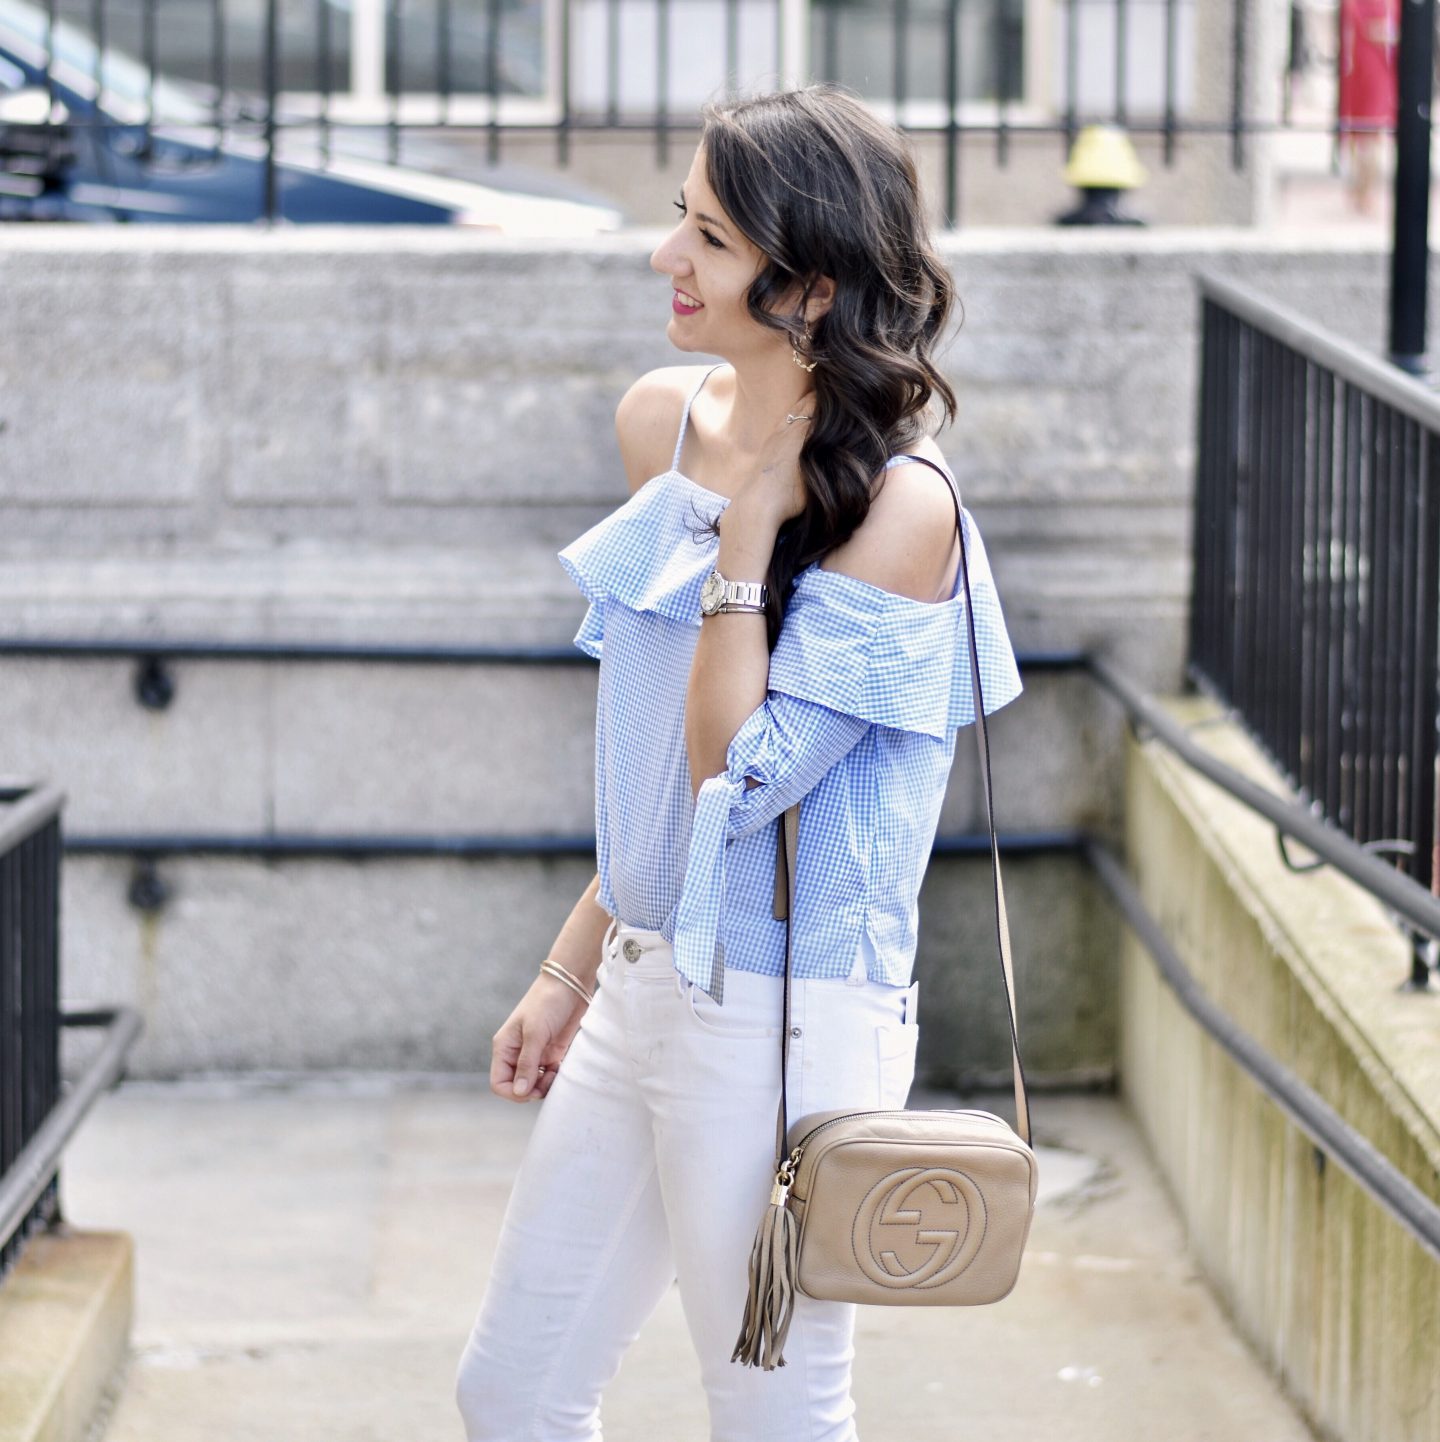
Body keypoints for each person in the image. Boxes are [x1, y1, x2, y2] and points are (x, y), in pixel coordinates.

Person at [454, 83, 1024, 1442]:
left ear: (809, 285)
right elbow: (656, 777)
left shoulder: (901, 508)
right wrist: (572, 961)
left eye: (706, 238)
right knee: (514, 1387)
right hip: (649, 976)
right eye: (680, 222)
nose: (668, 259)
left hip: (780, 1020)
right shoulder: (665, 421)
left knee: (771, 1415)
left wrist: (748, 547)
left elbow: (732, 772)